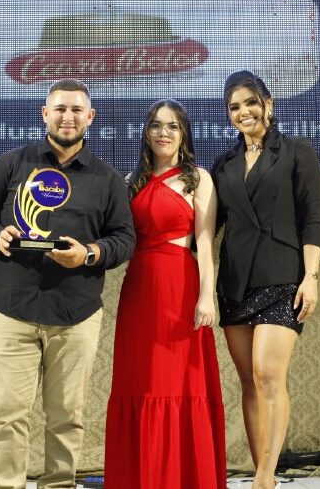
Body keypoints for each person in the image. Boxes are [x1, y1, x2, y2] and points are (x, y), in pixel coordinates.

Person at [0, 78, 135, 489]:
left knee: (67, 417)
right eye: (59, 108)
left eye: (76, 110)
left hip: (76, 315)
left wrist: (89, 253)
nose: (67, 117)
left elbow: (124, 239)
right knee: (7, 415)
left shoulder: (108, 179)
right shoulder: (11, 164)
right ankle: (7, 485)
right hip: (11, 310)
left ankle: (59, 484)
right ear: (45, 113)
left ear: (90, 117)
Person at [104, 99, 227, 489]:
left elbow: (205, 244)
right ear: (146, 132)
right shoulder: (131, 182)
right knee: (140, 382)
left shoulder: (199, 179)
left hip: (181, 287)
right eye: (156, 125)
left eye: (173, 126)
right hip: (140, 290)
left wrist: (206, 296)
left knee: (179, 383)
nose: (164, 133)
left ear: (184, 134)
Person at [212, 71, 320, 489]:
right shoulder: (223, 164)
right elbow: (209, 227)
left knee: (267, 374)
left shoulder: (296, 152)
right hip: (235, 284)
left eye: (250, 102)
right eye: (234, 107)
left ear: (268, 104)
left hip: (283, 277)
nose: (243, 112)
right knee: (248, 380)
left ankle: (264, 476)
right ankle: (263, 470)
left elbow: (312, 220)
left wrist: (310, 277)